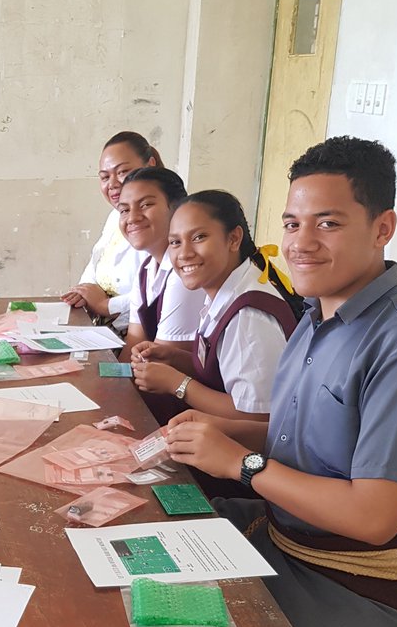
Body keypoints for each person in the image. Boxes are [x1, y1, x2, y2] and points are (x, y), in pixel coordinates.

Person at [153, 136, 397, 627]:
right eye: (294, 223)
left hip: (364, 588)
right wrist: (207, 435)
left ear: (381, 227)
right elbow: (293, 441)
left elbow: (374, 515)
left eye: (328, 223)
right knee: (142, 539)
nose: (302, 242)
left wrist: (241, 464)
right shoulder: (315, 318)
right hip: (285, 537)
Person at [132, 190, 303, 420]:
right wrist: (172, 357)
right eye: (175, 242)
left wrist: (177, 383)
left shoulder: (248, 317)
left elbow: (255, 418)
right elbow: (223, 368)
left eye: (199, 237)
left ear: (233, 239)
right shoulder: (223, 289)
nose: (184, 253)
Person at [116, 168, 206, 422]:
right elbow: (134, 342)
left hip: (186, 413)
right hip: (155, 398)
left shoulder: (184, 272)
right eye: (124, 210)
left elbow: (162, 362)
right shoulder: (146, 268)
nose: (132, 217)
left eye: (145, 205)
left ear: (176, 209)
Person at [62, 131, 162, 325]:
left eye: (123, 172)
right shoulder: (115, 216)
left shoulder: (163, 221)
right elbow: (95, 264)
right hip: (104, 327)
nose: (113, 184)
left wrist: (105, 305)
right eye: (105, 177)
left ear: (150, 165)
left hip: (139, 334)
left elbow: (157, 293)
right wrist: (85, 292)